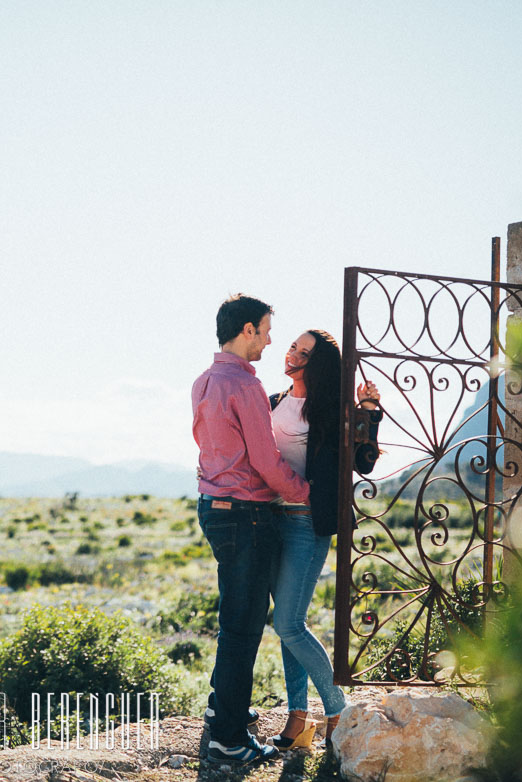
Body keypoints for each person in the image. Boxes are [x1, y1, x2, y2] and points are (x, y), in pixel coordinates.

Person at [192, 293, 310, 766]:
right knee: (243, 629)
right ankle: (228, 740)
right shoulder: (244, 386)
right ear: (247, 331)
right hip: (247, 513)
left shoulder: (203, 381)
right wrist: (306, 494)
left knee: (232, 621)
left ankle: (224, 712)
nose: (269, 340)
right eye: (264, 330)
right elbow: (265, 460)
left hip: (214, 506)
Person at [266, 330, 381, 751]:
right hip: (271, 519)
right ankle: (298, 718)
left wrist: (368, 410)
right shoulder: (275, 402)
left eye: (304, 352)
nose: (293, 354)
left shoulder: (332, 409)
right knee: (288, 626)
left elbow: (364, 462)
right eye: (293, 346)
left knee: (288, 623)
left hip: (305, 521)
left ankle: (337, 709)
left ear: (319, 365)